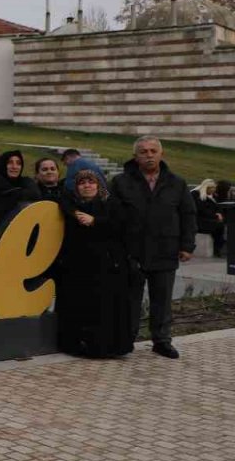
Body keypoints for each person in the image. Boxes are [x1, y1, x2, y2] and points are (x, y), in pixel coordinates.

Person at [108, 136, 196, 359]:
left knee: (162, 300)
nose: (149, 155)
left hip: (165, 250)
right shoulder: (120, 182)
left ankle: (162, 341)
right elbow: (112, 218)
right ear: (135, 156)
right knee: (130, 301)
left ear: (161, 154)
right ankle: (125, 341)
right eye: (143, 151)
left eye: (153, 151)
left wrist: (187, 245)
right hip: (132, 252)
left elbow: (188, 215)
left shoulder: (177, 182)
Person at [56, 168, 135, 358]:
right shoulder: (71, 206)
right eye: (82, 183)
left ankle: (105, 348)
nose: (87, 186)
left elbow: (121, 227)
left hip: (107, 267)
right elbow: (63, 206)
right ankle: (78, 346)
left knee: (105, 310)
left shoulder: (111, 204)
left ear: (99, 185)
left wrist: (95, 221)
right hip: (78, 267)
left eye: (91, 182)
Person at [192, 179, 225, 258]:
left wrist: (219, 214)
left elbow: (218, 208)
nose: (214, 190)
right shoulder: (196, 195)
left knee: (220, 225)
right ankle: (217, 248)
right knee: (219, 226)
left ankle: (218, 247)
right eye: (212, 188)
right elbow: (200, 210)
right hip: (199, 220)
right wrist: (216, 215)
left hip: (209, 219)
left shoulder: (213, 196)